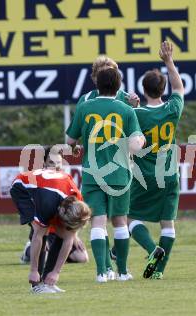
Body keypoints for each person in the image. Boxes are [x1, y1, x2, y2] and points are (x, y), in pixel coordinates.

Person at [66, 67, 145, 282]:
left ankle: (102, 272)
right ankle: (122, 272)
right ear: (119, 86)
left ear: (97, 85)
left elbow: (70, 141)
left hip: (92, 174)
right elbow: (137, 141)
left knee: (97, 222)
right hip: (119, 173)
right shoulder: (126, 110)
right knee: (120, 222)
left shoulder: (85, 107)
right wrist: (139, 142)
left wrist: (77, 145)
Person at [125, 41, 185, 280]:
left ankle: (152, 250)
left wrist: (133, 107)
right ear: (162, 89)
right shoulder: (173, 108)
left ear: (143, 89)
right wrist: (169, 62)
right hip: (170, 174)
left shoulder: (136, 114)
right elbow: (179, 88)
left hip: (146, 175)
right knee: (167, 224)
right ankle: (158, 271)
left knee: (129, 217)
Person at [10, 147, 91, 293]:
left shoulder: (77, 197)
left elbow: (69, 238)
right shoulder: (47, 204)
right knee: (43, 231)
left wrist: (56, 273)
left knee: (62, 235)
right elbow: (38, 236)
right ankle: (37, 285)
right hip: (22, 188)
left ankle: (48, 282)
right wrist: (33, 271)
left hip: (50, 192)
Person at [20, 147, 89, 265]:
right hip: (43, 229)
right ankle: (28, 251)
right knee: (44, 259)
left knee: (81, 257)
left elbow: (77, 209)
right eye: (51, 162)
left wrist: (74, 235)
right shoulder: (36, 182)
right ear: (44, 164)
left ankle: (57, 252)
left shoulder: (67, 180)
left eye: (59, 163)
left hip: (63, 229)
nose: (56, 166)